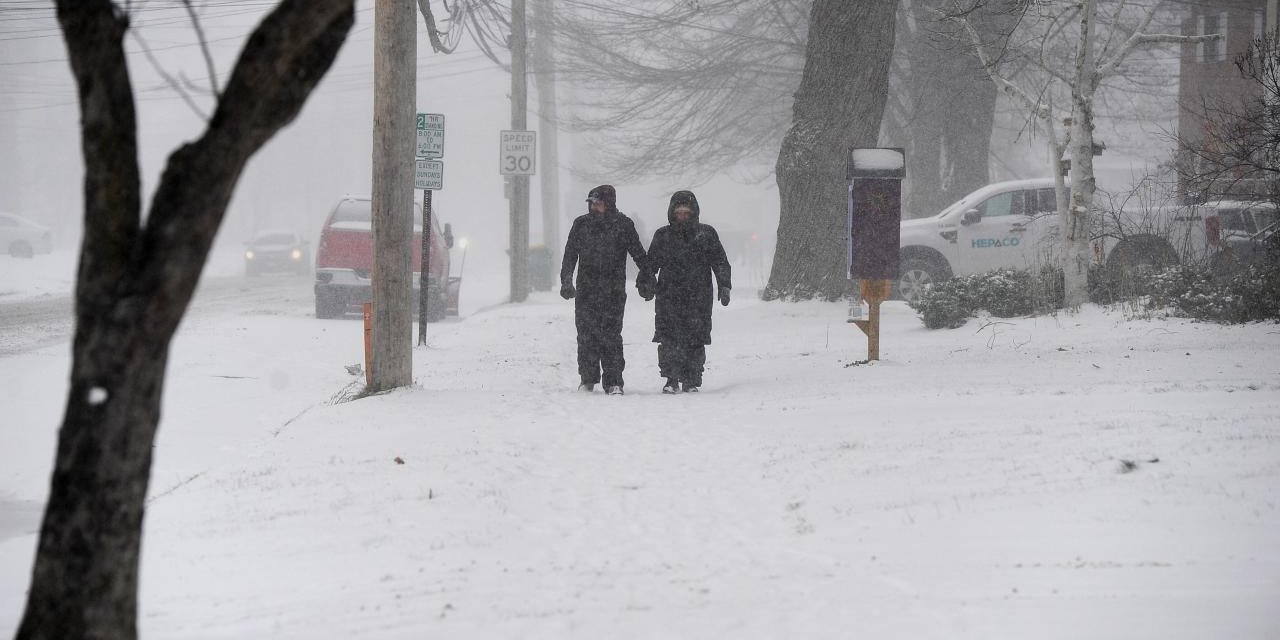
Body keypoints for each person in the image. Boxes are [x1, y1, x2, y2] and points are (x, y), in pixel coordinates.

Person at [560, 184, 651, 395]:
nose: (594, 207)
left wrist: (647, 275)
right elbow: (570, 255)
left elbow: (638, 253)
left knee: (611, 335)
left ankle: (613, 381)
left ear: (609, 203)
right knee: (586, 335)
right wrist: (566, 280)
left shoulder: (623, 225)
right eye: (592, 203)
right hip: (586, 290)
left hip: (613, 291)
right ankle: (588, 378)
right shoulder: (581, 225)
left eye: (598, 203)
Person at [640, 190, 731, 394]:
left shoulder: (706, 234)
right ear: (672, 213)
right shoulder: (663, 235)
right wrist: (645, 284)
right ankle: (671, 378)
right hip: (668, 296)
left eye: (686, 212)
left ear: (693, 213)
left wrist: (724, 285)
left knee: (696, 338)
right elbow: (650, 263)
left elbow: (720, 261)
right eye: (679, 212)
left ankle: (691, 379)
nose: (682, 216)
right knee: (668, 338)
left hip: (698, 296)